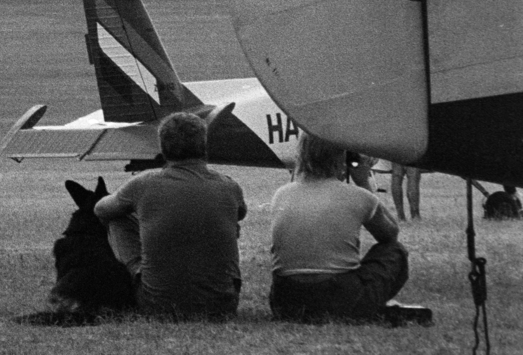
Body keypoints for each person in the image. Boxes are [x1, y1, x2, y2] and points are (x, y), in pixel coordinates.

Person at [94, 112, 246, 319]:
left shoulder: (143, 183)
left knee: (117, 218)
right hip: (222, 305)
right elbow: (240, 213)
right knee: (227, 222)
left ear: (162, 146)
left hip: (158, 305)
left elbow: (101, 210)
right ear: (204, 144)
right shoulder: (230, 186)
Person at [269, 131, 424, 322]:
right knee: (395, 251)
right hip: (340, 296)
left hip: (285, 300)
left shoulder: (281, 194)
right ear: (342, 157)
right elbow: (390, 235)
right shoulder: (357, 195)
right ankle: (365, 308)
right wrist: (362, 181)